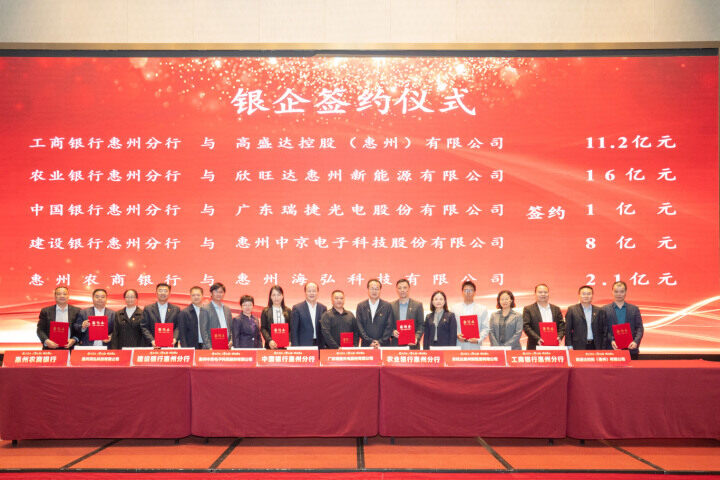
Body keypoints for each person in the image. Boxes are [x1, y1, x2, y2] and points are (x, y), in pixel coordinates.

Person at [603, 281, 644, 359]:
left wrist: (635, 342)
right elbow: (603, 329)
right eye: (616, 291)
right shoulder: (604, 309)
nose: (619, 294)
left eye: (622, 291)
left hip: (630, 349)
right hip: (611, 348)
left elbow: (639, 328)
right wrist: (611, 340)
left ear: (626, 292)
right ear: (612, 292)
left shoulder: (634, 309)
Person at [522, 283, 565, 350]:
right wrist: (537, 338)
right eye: (540, 292)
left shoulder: (556, 309)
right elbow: (526, 326)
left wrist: (559, 337)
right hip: (535, 345)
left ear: (548, 294)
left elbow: (562, 325)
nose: (543, 294)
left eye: (545, 292)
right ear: (535, 294)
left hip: (553, 345)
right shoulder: (528, 309)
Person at [565, 285, 607, 350]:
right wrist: (569, 345)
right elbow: (568, 330)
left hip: (595, 346)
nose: (586, 296)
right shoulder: (572, 310)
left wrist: (603, 347)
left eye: (589, 294)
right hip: (578, 346)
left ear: (592, 296)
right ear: (579, 295)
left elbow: (604, 330)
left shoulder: (599, 311)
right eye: (584, 294)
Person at [356, 278, 395, 347]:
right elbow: (359, 326)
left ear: (380, 290)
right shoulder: (361, 306)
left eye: (377, 289)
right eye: (372, 288)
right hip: (366, 344)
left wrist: (380, 342)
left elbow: (389, 326)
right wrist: (369, 341)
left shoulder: (387, 306)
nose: (374, 291)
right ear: (368, 289)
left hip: (384, 345)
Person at [140, 283, 181, 347]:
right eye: (160, 290)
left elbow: (179, 326)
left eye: (165, 291)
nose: (163, 293)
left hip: (171, 346)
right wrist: (152, 340)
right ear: (156, 293)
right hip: (152, 345)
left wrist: (174, 338)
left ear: (169, 294)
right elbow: (144, 326)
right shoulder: (148, 309)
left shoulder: (176, 309)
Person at [452, 280, 489, 348]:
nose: (468, 292)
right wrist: (457, 335)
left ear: (474, 292)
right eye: (466, 290)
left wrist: (478, 339)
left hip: (476, 345)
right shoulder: (454, 309)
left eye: (470, 290)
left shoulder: (482, 309)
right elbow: (452, 327)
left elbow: (485, 328)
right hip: (460, 344)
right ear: (462, 292)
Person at [390, 278, 424, 349]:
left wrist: (416, 337)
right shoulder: (391, 306)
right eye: (399, 288)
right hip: (396, 344)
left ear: (409, 289)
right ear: (396, 290)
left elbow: (421, 325)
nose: (402, 290)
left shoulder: (417, 305)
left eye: (405, 288)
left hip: (412, 344)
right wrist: (392, 332)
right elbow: (388, 324)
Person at [290, 281, 327, 348]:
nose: (311, 293)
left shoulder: (323, 308)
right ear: (305, 293)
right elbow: (294, 331)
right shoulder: (297, 308)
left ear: (318, 293)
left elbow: (324, 329)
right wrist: (295, 347)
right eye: (309, 291)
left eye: (314, 291)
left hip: (319, 345)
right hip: (303, 345)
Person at [200, 282, 233, 349]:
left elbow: (231, 327)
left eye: (221, 292)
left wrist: (232, 340)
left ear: (224, 294)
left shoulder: (227, 309)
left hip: (226, 345)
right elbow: (203, 330)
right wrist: (209, 347)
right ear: (211, 293)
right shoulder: (205, 309)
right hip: (211, 347)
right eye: (216, 292)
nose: (218, 294)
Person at [260, 285, 292, 349]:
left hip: (285, 346)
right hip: (270, 346)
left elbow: (291, 328)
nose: (276, 297)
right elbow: (263, 328)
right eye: (274, 295)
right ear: (270, 297)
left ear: (282, 296)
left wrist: (289, 340)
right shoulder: (265, 311)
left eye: (278, 295)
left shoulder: (288, 311)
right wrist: (269, 340)